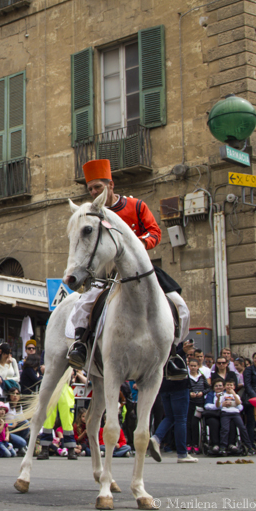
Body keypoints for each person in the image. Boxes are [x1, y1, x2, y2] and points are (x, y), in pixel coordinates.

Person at [66, 159, 190, 379]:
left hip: (140, 270)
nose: (94, 192)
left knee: (178, 304)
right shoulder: (92, 214)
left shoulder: (137, 206)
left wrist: (141, 244)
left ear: (110, 185)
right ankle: (80, 345)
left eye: (98, 187)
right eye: (91, 188)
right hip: (107, 273)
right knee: (84, 304)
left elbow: (155, 232)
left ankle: (172, 354)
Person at [148, 341, 198, 463]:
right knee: (181, 419)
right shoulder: (174, 341)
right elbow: (173, 358)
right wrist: (183, 351)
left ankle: (156, 438)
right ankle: (182, 453)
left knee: (170, 417)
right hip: (179, 384)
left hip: (164, 385)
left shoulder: (159, 341)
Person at [38, 370, 77, 460]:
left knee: (67, 419)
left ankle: (71, 449)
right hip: (52, 386)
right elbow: (44, 368)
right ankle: (44, 449)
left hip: (64, 386)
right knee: (48, 419)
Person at [218, 379, 254, 455]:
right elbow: (218, 405)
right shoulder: (222, 395)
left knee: (242, 428)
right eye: (227, 385)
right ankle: (223, 446)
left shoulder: (236, 395)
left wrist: (233, 394)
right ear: (224, 386)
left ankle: (249, 446)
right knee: (225, 429)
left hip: (235, 413)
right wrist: (221, 402)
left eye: (231, 385)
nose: (229, 387)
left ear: (234, 387)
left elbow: (238, 403)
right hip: (225, 413)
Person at [187, 358, 209, 454]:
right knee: (188, 424)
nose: (193, 367)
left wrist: (202, 393)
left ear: (197, 367)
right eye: (191, 366)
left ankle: (196, 444)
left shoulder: (202, 377)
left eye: (194, 366)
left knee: (195, 423)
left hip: (199, 403)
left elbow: (208, 388)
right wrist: (189, 393)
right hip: (189, 403)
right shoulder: (187, 378)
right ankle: (188, 443)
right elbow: (183, 389)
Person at [203, 379, 224, 455]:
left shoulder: (227, 394)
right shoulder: (210, 394)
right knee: (213, 423)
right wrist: (219, 406)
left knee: (230, 422)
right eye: (216, 386)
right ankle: (215, 444)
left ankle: (230, 444)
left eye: (220, 385)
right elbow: (207, 406)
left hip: (225, 414)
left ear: (223, 387)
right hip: (213, 415)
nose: (218, 387)